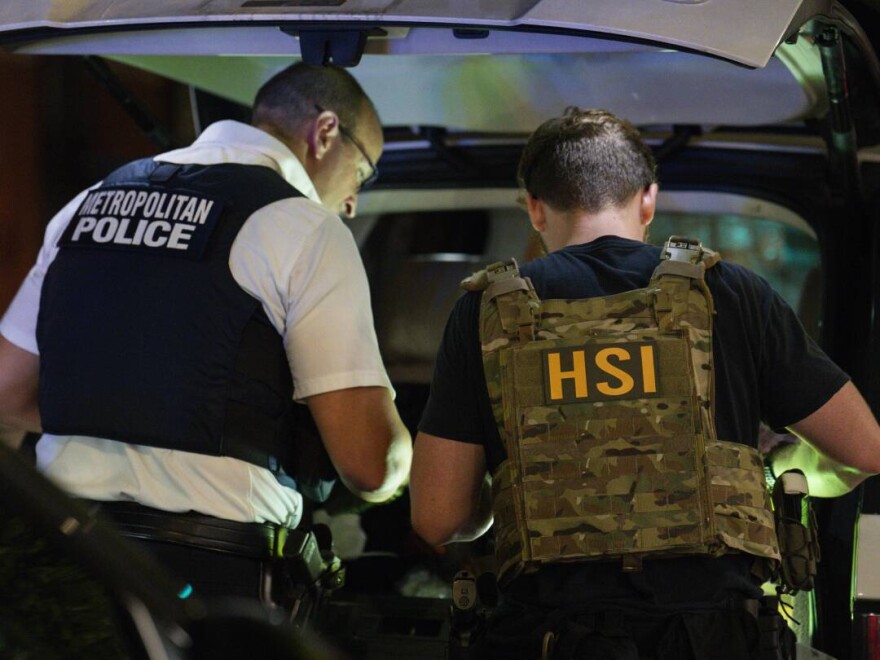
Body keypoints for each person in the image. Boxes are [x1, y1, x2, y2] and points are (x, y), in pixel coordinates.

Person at [410, 107, 880, 659]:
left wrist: (529, 488)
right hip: (714, 638)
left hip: (550, 637)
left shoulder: (484, 313)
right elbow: (864, 451)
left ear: (535, 209)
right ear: (648, 200)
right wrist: (771, 470)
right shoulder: (731, 293)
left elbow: (437, 518)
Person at [0, 62, 412, 606]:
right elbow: (368, 464)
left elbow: (8, 392)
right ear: (326, 132)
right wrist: (409, 468)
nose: (354, 201)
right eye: (363, 173)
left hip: (69, 565)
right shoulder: (304, 228)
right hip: (211, 581)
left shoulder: (85, 204)